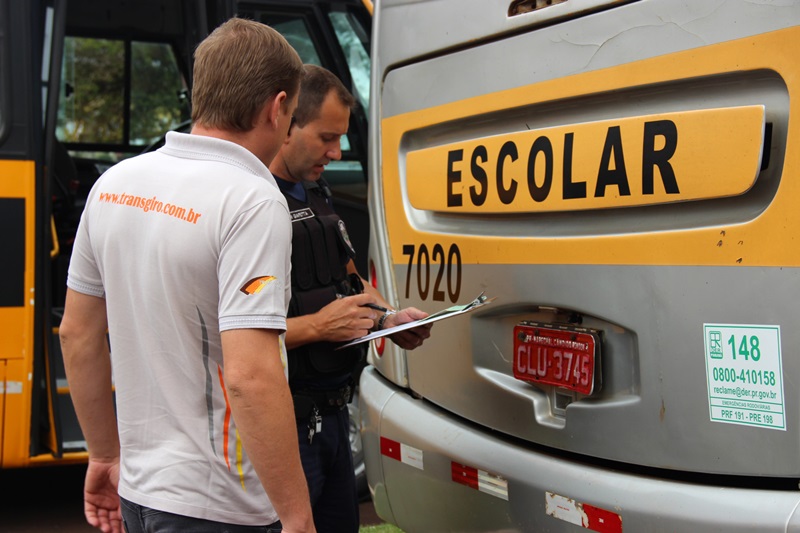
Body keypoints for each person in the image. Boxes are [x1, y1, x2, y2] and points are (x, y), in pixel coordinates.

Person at [58, 18, 315, 533]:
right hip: (220, 504)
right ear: (277, 106)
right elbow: (250, 374)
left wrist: (104, 455)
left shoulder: (115, 183)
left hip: (139, 492)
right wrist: (297, 517)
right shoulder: (252, 199)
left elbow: (77, 333)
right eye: (291, 117)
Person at [268, 64, 432, 532]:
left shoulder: (317, 192)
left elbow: (353, 280)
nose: (337, 152)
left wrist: (388, 319)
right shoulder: (252, 203)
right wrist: (318, 327)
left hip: (336, 418)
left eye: (340, 138)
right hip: (285, 426)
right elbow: (231, 335)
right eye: (326, 137)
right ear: (286, 124)